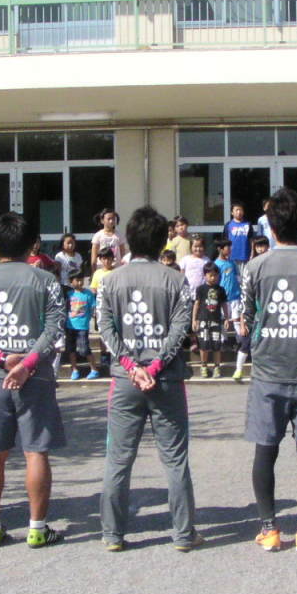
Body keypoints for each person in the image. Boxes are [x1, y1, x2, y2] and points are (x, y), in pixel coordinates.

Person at [97, 206, 201, 552]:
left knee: (118, 459)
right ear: (162, 242)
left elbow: (106, 329)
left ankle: (113, 535)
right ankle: (183, 534)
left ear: (129, 240)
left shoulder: (111, 280)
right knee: (175, 458)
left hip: (125, 380)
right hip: (165, 378)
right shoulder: (175, 279)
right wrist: (154, 366)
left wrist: (131, 365)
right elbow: (180, 328)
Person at [0, 211, 66, 549]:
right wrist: (27, 362)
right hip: (35, 375)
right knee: (36, 452)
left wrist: (0, 358)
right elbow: (55, 328)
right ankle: (37, 528)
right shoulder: (46, 280)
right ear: (32, 244)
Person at [239, 187, 297, 553]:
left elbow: (247, 318)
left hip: (268, 372)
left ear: (272, 226)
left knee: (265, 450)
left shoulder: (255, 267)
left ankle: (270, 528)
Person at [193, 262, 226, 379]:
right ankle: (204, 366)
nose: (213, 278)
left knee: (217, 345)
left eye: (215, 275)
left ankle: (217, 367)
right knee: (204, 345)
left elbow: (224, 304)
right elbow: (197, 304)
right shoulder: (201, 289)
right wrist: (194, 320)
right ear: (205, 275)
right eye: (210, 275)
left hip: (216, 320)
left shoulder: (220, 289)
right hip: (203, 320)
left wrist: (226, 318)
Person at [64, 269, 99, 380]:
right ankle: (74, 369)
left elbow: (93, 307)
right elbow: (66, 308)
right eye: (77, 280)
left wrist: (93, 317)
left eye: (81, 280)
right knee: (71, 349)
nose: (80, 282)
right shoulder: (69, 294)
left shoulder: (88, 293)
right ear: (71, 282)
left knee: (84, 349)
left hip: (83, 326)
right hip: (70, 326)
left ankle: (94, 369)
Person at [223, 202, 252, 273]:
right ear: (232, 212)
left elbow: (251, 240)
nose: (239, 212)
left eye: (241, 210)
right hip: (231, 257)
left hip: (245, 257)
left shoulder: (248, 224)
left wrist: (252, 254)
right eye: (237, 210)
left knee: (245, 277)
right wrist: (225, 254)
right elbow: (224, 241)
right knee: (232, 276)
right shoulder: (228, 225)